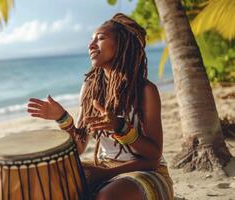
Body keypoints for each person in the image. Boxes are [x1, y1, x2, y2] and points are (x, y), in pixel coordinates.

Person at [27, 13, 174, 200]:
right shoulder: (90, 88)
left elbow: (153, 157)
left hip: (148, 173)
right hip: (105, 166)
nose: (91, 45)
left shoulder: (145, 90)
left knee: (106, 198)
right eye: (91, 40)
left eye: (101, 38)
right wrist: (62, 118)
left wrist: (121, 128)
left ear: (121, 44)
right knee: (50, 182)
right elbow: (79, 146)